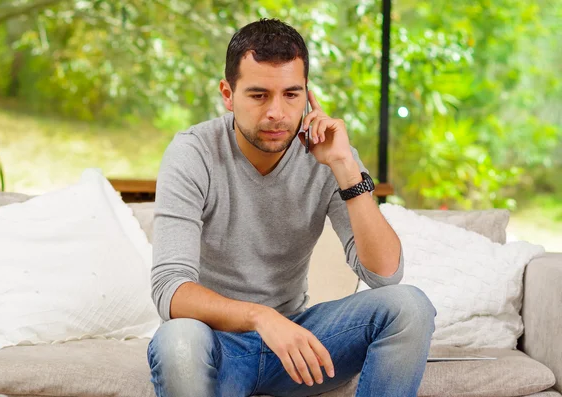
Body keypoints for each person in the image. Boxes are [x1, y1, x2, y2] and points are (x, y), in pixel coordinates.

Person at [147, 18, 436, 397]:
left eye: (291, 94)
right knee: (177, 339)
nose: (277, 113)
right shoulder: (193, 153)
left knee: (410, 306)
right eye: (258, 95)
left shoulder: (331, 155)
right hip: (218, 347)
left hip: (299, 347)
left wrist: (345, 166)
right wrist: (260, 317)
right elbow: (170, 290)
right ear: (228, 94)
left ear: (307, 95)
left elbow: (385, 274)